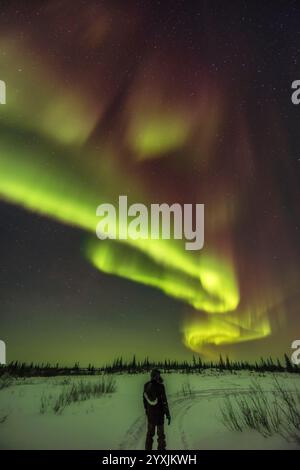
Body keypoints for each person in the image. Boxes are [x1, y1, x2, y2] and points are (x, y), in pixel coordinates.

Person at [143, 369, 171, 450]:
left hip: (151, 416)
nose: (160, 376)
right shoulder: (161, 387)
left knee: (149, 435)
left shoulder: (146, 385)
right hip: (160, 416)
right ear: (156, 376)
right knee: (161, 436)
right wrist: (168, 414)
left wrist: (147, 411)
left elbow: (144, 401)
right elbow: (164, 402)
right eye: (159, 375)